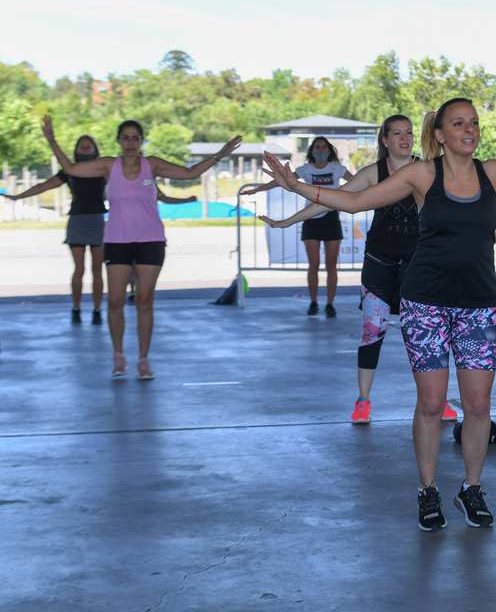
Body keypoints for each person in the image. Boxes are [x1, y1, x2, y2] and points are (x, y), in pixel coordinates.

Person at [261, 98, 496, 531]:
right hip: (426, 303)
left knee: (478, 405)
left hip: (478, 303)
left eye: (474, 123)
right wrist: (299, 187)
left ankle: (471, 487)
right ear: (440, 134)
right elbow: (358, 200)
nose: (469, 130)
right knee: (431, 403)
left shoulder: (493, 172)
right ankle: (427, 490)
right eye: (459, 124)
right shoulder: (423, 174)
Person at [259, 115, 463, 424]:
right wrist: (288, 221)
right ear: (385, 140)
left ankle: (437, 401)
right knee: (373, 330)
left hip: (418, 266)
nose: (405, 138)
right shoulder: (373, 174)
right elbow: (333, 202)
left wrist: (481, 232)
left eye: (408, 133)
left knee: (425, 336)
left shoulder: (428, 171)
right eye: (397, 133)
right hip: (379, 264)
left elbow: (455, 204)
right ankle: (363, 399)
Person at [42, 115, 240, 379]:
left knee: (145, 300)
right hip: (117, 241)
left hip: (150, 241)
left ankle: (144, 359)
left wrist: (221, 154)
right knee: (114, 301)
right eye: (126, 138)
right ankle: (118, 356)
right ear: (118, 141)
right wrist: (52, 140)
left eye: (135, 137)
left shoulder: (152, 165)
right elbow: (71, 169)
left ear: (141, 141)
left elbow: (190, 173)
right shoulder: (107, 166)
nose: (131, 142)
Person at [2, 135, 106, 325]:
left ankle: (97, 310)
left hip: (97, 221)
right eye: (82, 145)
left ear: (94, 149)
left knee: (97, 270)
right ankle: (76, 308)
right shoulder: (69, 171)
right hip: (77, 221)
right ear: (76, 149)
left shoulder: (104, 170)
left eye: (88, 145)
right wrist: (19, 196)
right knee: (79, 269)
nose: (85, 147)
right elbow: (44, 186)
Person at [244, 137, 353, 317]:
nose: (320, 150)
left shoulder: (337, 169)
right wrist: (258, 189)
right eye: (317, 147)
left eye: (323, 147)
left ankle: (330, 304)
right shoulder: (305, 169)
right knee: (314, 265)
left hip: (331, 218)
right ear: (312, 151)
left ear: (329, 150)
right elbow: (281, 181)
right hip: (310, 219)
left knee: (331, 266)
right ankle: (313, 302)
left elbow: (359, 182)